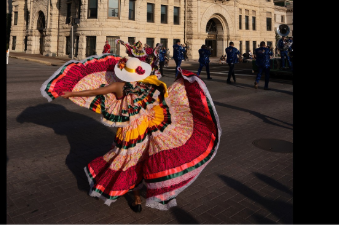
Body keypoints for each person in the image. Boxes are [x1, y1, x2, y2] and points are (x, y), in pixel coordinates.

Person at [40, 46, 222, 213]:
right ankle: (137, 194)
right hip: (144, 126)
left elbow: (94, 91)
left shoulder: (123, 85)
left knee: (131, 158)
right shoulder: (145, 83)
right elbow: (159, 97)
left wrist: (72, 93)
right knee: (136, 157)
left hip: (134, 128)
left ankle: (136, 196)